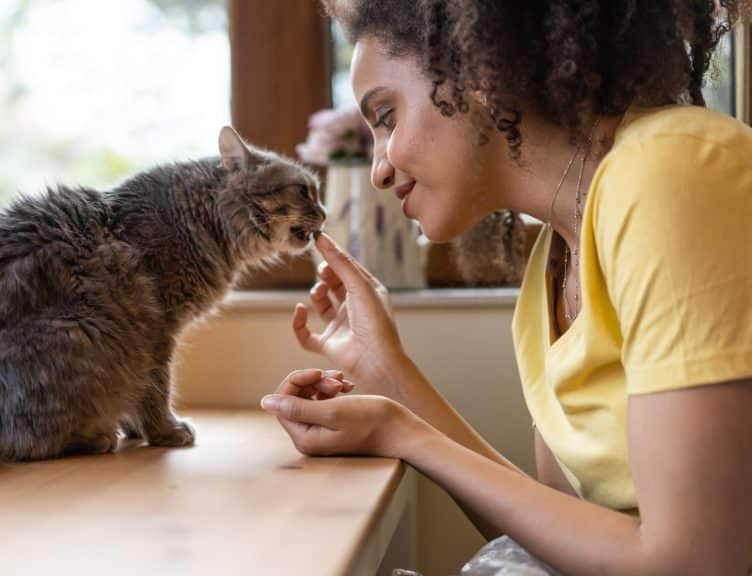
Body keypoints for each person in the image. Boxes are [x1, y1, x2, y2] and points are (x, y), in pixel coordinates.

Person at [258, 2, 752, 574]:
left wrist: (405, 435)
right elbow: (566, 540)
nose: (379, 169)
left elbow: (695, 560)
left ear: (477, 72)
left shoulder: (677, 170)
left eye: (387, 116)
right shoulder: (553, 265)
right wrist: (386, 375)